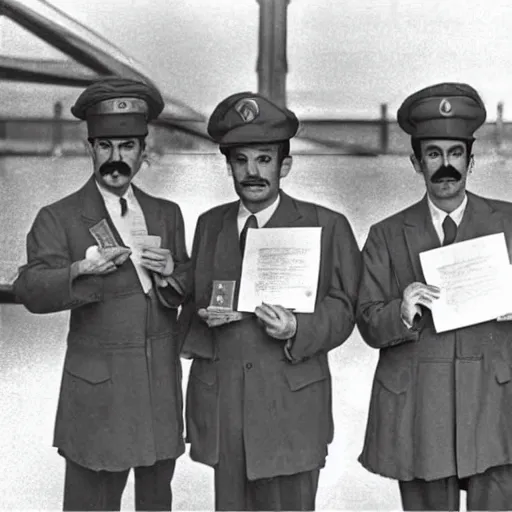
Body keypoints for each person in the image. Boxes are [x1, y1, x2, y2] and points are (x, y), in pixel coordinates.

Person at [179, 92, 361, 511]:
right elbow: (196, 299)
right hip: (225, 410)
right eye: (241, 161)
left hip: (291, 406)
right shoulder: (210, 224)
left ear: (286, 165)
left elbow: (345, 308)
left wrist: (299, 329)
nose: (252, 172)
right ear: (228, 167)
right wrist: (202, 318)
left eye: (264, 159)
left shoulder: (327, 225)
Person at [13, 77, 189, 511]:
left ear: (143, 151)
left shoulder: (167, 214)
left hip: (158, 394)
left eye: (127, 146)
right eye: (105, 146)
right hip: (99, 399)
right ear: (90, 149)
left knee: (156, 502)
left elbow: (186, 278)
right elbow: (31, 288)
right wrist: (79, 271)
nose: (116, 158)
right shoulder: (58, 217)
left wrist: (173, 274)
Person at [357, 82, 512, 510]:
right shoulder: (386, 235)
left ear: (471, 159)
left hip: (495, 401)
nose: (446, 165)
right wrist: (401, 312)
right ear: (416, 162)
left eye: (455, 153)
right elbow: (367, 321)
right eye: (433, 154)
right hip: (422, 407)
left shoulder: (510, 222)